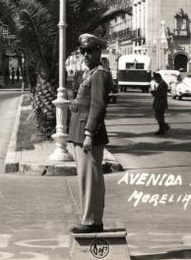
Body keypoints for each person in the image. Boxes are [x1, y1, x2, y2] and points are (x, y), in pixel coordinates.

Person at [68, 33, 111, 234]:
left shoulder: (99, 74)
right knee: (88, 179)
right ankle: (92, 218)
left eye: (89, 51)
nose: (85, 55)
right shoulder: (89, 73)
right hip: (80, 133)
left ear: (98, 52)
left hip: (88, 135)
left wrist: (88, 134)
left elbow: (98, 106)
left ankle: (91, 221)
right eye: (82, 51)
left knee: (90, 180)